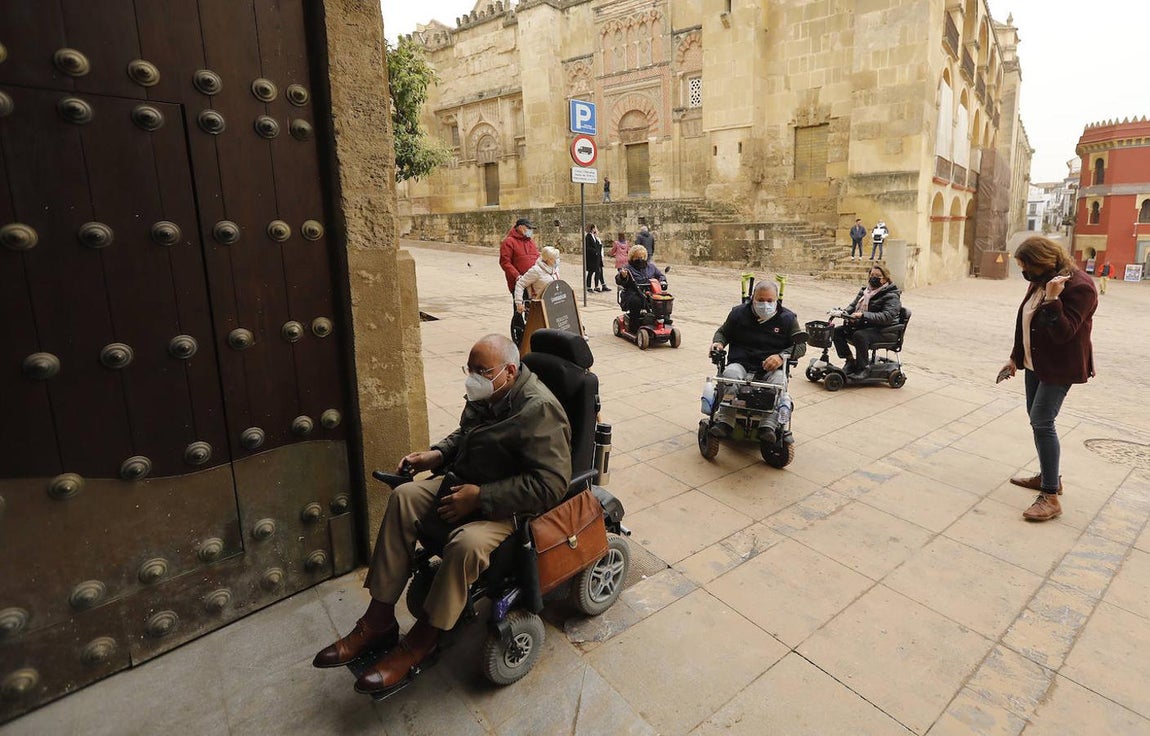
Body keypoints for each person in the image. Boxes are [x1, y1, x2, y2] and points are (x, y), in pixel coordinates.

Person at [312, 334, 571, 693]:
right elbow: (467, 434)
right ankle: (379, 620)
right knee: (404, 497)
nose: (472, 378)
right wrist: (435, 455)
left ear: (509, 371)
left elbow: (552, 484)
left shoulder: (538, 409)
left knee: (466, 544)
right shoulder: (491, 393)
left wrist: (481, 497)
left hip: (509, 506)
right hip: (467, 480)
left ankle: (423, 639)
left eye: (481, 371)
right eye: (470, 369)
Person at [1001, 236, 1097, 522]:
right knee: (1036, 418)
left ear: (1042, 261)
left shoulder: (1080, 287)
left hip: (1060, 367)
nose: (1024, 274)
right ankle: (1049, 475)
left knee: (1043, 421)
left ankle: (1050, 496)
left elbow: (1065, 333)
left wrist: (1054, 299)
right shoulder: (1041, 279)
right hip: (1034, 363)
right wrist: (1015, 358)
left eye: (1026, 267)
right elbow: (1026, 321)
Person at [709, 280, 802, 444]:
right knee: (730, 375)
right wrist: (718, 343)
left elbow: (800, 346)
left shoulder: (787, 318)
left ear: (776, 301)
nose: (765, 304)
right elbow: (723, 332)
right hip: (742, 362)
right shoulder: (738, 313)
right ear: (753, 298)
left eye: (769, 301)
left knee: (780, 381)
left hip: (771, 368)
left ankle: (768, 425)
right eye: (760, 300)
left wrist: (781, 356)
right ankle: (725, 420)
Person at [832, 263, 902, 377]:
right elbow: (853, 306)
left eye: (877, 276)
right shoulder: (865, 291)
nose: (873, 278)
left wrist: (863, 315)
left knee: (859, 335)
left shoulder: (892, 295)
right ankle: (850, 361)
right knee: (836, 332)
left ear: (885, 279)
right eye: (872, 274)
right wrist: (844, 313)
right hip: (867, 326)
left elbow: (886, 317)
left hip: (885, 330)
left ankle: (863, 368)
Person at [500, 217, 539, 344]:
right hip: (518, 282)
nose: (530, 231)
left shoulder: (530, 242)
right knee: (519, 307)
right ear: (521, 227)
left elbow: (537, 258)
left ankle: (532, 332)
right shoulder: (509, 242)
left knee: (531, 308)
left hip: (532, 282)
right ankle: (518, 334)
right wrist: (517, 276)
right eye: (529, 229)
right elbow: (505, 262)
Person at [616, 244, 667, 332]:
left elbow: (660, 275)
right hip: (632, 293)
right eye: (637, 257)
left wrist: (662, 281)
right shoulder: (628, 268)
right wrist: (623, 276)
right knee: (637, 301)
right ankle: (634, 325)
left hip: (649, 293)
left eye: (642, 257)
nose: (640, 259)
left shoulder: (651, 267)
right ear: (632, 257)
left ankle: (663, 320)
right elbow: (618, 279)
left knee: (663, 300)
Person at [513, 246, 561, 315]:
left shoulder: (555, 268)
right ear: (549, 259)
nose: (558, 260)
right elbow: (520, 284)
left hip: (554, 303)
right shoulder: (536, 270)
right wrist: (519, 303)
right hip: (540, 307)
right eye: (556, 258)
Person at [584, 224, 608, 292]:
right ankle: (588, 286)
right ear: (592, 228)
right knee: (590, 272)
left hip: (596, 258)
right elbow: (588, 247)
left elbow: (598, 246)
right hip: (591, 258)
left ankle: (596, 286)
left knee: (598, 271)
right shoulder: (588, 237)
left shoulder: (594, 237)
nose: (596, 229)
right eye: (595, 228)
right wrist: (595, 252)